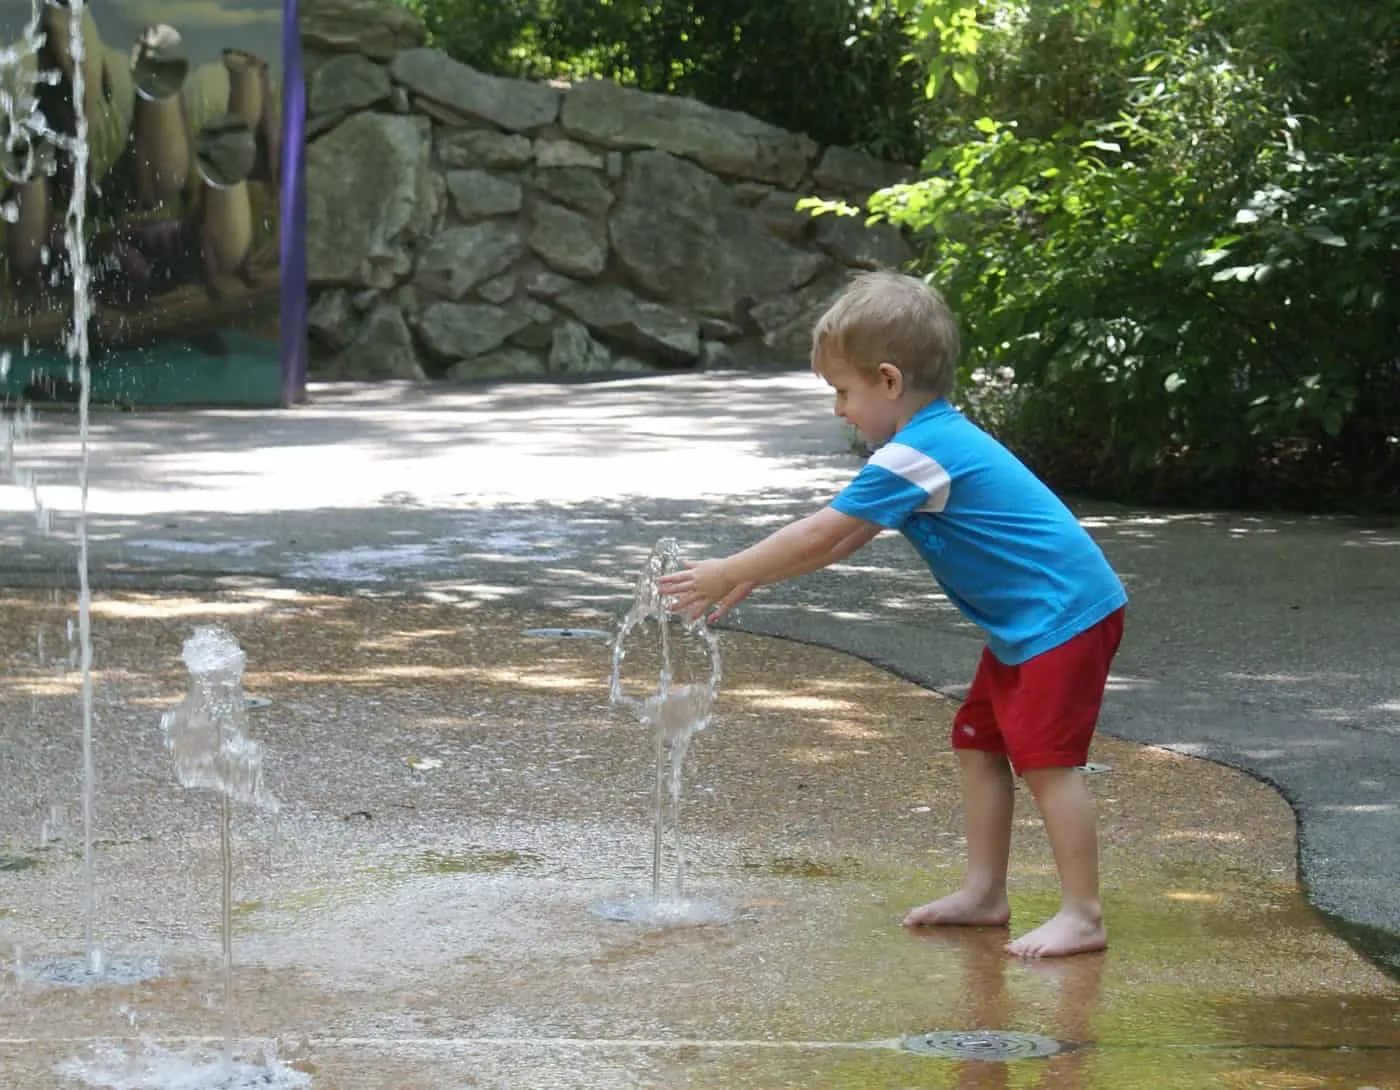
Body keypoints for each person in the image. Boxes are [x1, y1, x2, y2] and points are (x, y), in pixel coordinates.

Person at [657, 270, 1127, 958]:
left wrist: (731, 568)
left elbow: (824, 530)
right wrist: (756, 577)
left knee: (1049, 762)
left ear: (887, 381)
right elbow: (847, 537)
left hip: (1063, 617)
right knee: (979, 740)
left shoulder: (921, 451)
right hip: (1030, 622)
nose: (839, 410)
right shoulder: (925, 444)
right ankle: (985, 893)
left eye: (843, 392)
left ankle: (1082, 914)